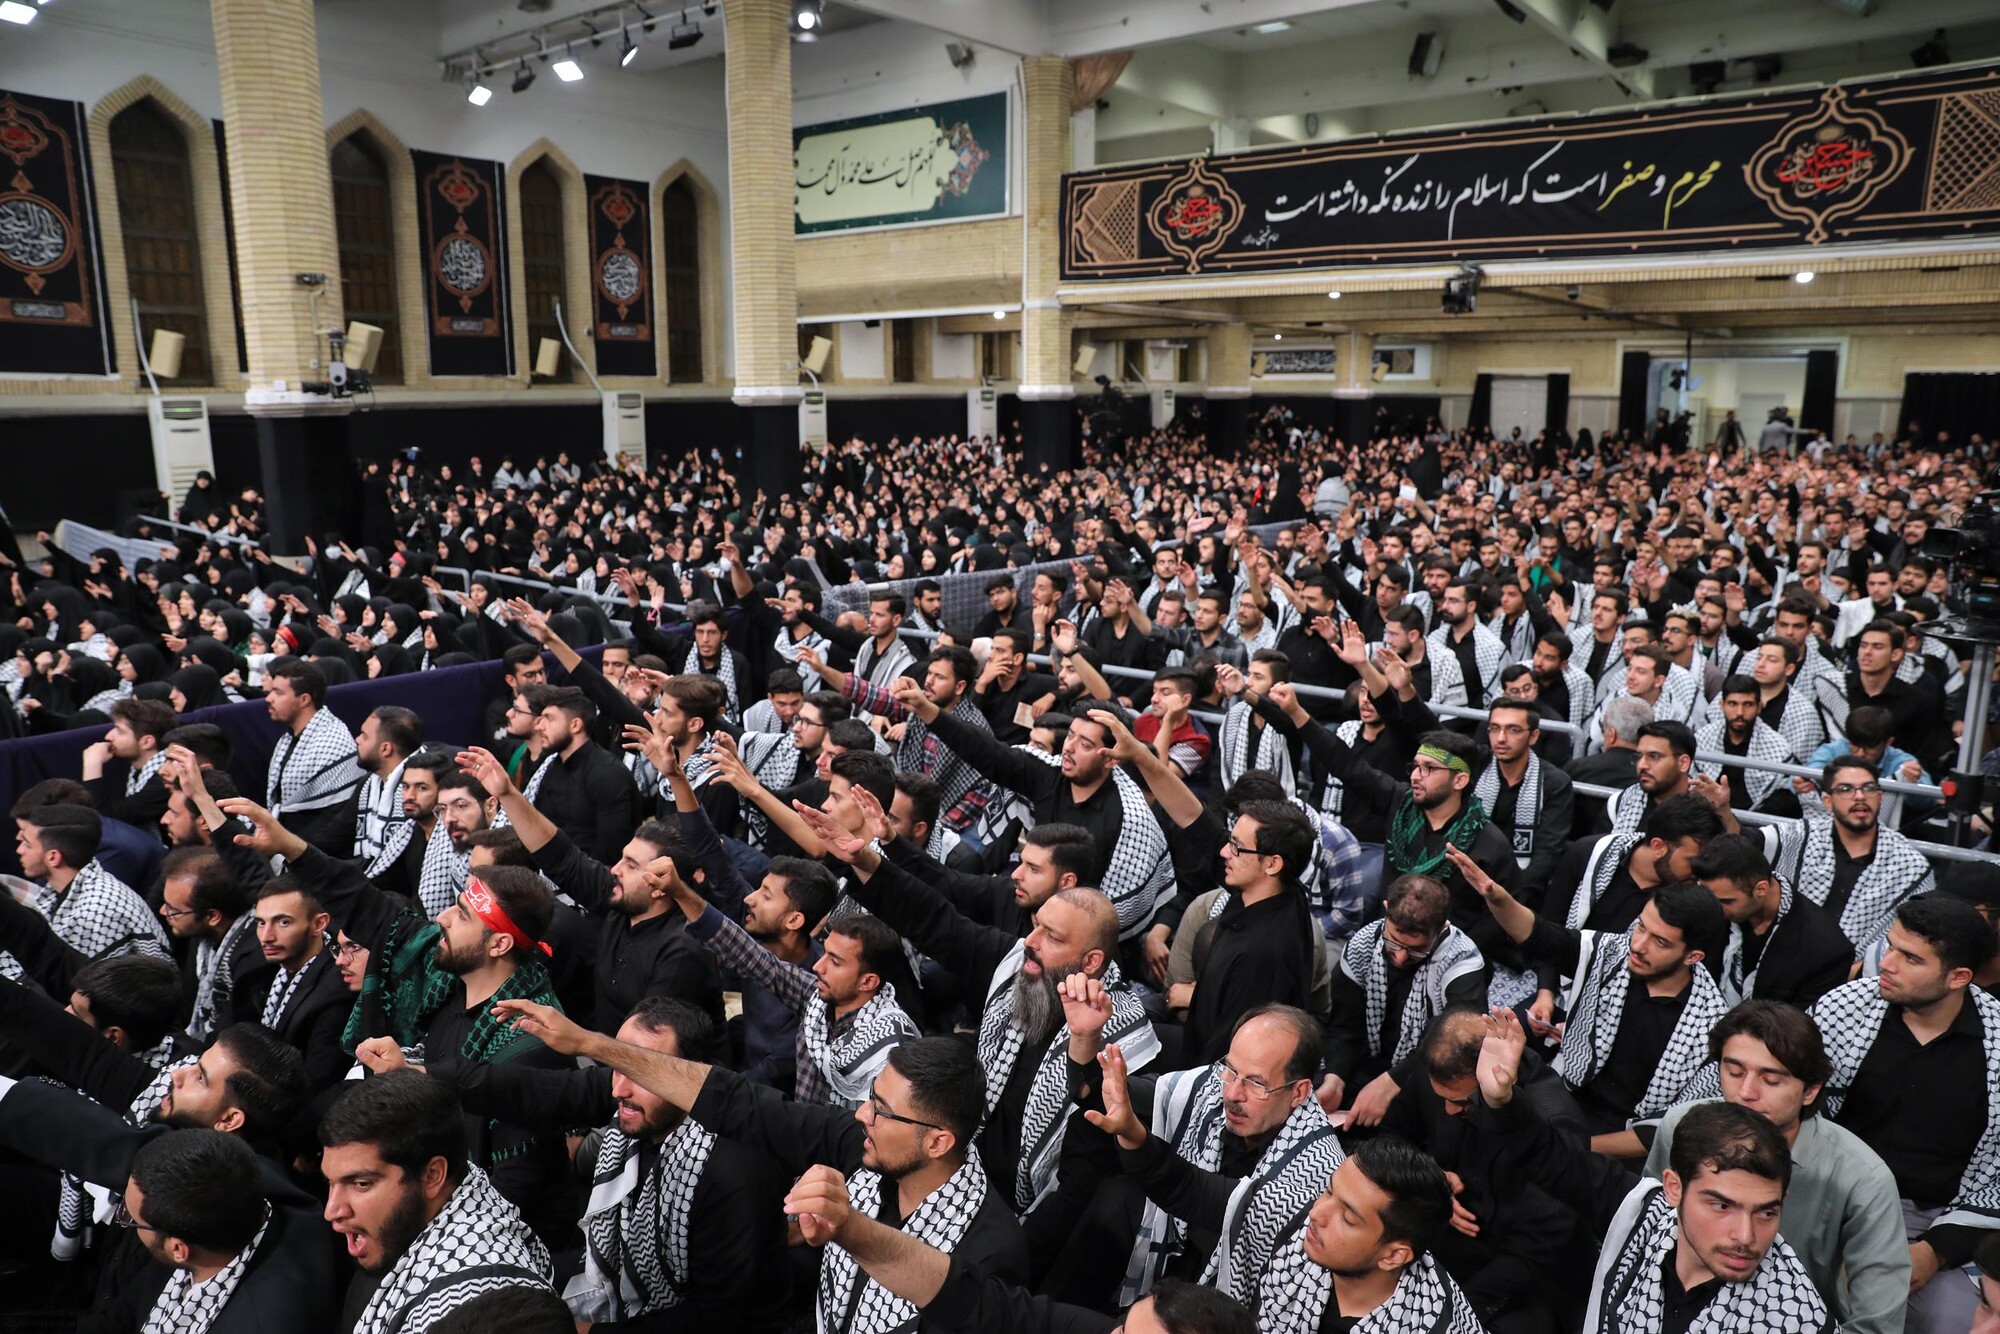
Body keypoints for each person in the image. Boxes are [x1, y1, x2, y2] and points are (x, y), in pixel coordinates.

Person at [493, 1001, 1032, 1334]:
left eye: (882, 1111)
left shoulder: (990, 1251)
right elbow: (737, 1101)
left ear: (938, 1141)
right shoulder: (861, 1148)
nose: (861, 1115)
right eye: (870, 1098)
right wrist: (591, 1045)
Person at [222, 796, 577, 1247]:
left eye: (462, 915)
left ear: (499, 945)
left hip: (487, 1242)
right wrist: (290, 847)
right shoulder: (448, 976)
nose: (442, 918)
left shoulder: (530, 1042)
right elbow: (370, 908)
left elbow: (515, 1189)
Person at [425, 997, 793, 1331]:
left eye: (641, 1071)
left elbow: (717, 1317)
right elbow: (533, 1089)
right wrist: (423, 1075)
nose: (618, 1090)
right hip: (618, 1284)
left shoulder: (733, 1170)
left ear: (691, 1076)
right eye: (618, 1066)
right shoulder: (640, 1097)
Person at [1478, 1012, 1832, 1333]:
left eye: (1766, 1212)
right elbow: (1555, 1161)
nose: (1746, 1236)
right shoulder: (1643, 1214)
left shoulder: (1797, 1319)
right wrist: (1501, 1101)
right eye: (1722, 1206)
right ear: (1673, 1189)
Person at [1641, 1001, 1909, 1334]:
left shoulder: (1862, 1178)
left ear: (1810, 1091)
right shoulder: (1680, 1127)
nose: (1745, 1093)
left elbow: (1877, 1324)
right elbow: (1650, 1230)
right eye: (1734, 1072)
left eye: (1770, 1080)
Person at [1807, 896, 2000, 1334]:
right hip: (1825, 1197)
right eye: (1891, 946)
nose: (1886, 963)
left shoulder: (1995, 1045)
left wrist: (1936, 1250)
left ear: (1958, 977)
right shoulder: (1842, 1009)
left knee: (1954, 1321)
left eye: (1910, 958)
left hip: (1933, 1225)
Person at [1073, 1006, 1345, 1314]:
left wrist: (1133, 1134)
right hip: (1181, 1265)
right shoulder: (1220, 1083)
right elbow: (1112, 1097)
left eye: (1256, 1083)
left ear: (1299, 1092)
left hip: (1232, 1309)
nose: (1233, 1094)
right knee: (1115, 1198)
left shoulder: (1316, 1173)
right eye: (1230, 1069)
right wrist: (1084, 1038)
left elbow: (1194, 1192)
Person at [1449, 846, 1727, 1138]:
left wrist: (1574, 1150)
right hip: (1562, 1096)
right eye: (1641, 927)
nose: (1638, 945)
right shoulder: (1612, 953)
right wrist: (1497, 898)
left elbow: (1662, 1132)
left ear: (1693, 956)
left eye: (1659, 942)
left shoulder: (1709, 1027)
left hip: (1618, 1139)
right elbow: (1539, 936)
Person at [458, 743, 724, 1031]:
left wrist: (574, 1038)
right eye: (622, 858)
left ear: (662, 884)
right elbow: (561, 855)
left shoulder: (682, 952)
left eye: (631, 865)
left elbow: (647, 1047)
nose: (616, 870)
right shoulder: (621, 901)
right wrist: (508, 794)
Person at [318, 1071, 554, 1333]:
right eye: (330, 1182)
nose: (332, 1211)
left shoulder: (475, 1304)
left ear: (432, 1176)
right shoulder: (409, 1229)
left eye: (361, 1184)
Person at [1325, 874, 1488, 1123]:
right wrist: (1335, 1077)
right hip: (1368, 1065)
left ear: (1442, 927)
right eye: (1394, 942)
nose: (1400, 958)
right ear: (1386, 910)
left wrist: (1391, 1082)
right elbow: (1344, 1027)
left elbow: (1457, 1046)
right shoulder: (1362, 946)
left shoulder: (1461, 960)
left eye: (1416, 949)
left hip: (1430, 1075)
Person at [1755, 755, 1936, 958]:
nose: (1859, 796)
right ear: (1828, 802)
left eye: (1868, 788)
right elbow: (1749, 843)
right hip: (1782, 957)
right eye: (1845, 789)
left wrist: (1857, 971)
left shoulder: (1910, 864)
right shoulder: (1799, 836)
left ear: (1880, 797)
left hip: (1860, 973)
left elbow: (1911, 937)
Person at [6, 800, 168, 982]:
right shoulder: (69, 888)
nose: (19, 850)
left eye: (27, 844)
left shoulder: (96, 910)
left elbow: (79, 987)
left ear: (53, 857)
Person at [1691, 835, 1852, 1008]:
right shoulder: (1704, 911)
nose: (1716, 908)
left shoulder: (1825, 950)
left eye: (1726, 901)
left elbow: (1800, 1021)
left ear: (1761, 889)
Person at [519, 683, 639, 868]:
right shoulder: (552, 767)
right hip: (550, 873)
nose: (539, 726)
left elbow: (611, 853)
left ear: (575, 725)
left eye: (549, 719)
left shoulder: (608, 774)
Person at [261, 657, 365, 858]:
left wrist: (293, 852)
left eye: (278, 693)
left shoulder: (333, 742)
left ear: (304, 700)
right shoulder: (288, 739)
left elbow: (335, 822)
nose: (269, 698)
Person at [1693, 676, 1801, 819]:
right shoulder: (1703, 737)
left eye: (1748, 704)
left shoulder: (1778, 747)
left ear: (1759, 707)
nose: (1739, 712)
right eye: (1732, 704)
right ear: (1722, 705)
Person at [81, 696, 176, 827]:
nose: (108, 736)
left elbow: (108, 823)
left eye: (120, 731)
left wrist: (92, 765)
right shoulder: (126, 765)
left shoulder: (166, 780)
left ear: (146, 742)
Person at [351, 705, 422, 864]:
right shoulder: (367, 783)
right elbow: (337, 834)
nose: (357, 740)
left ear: (385, 749)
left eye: (364, 736)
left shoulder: (414, 795)